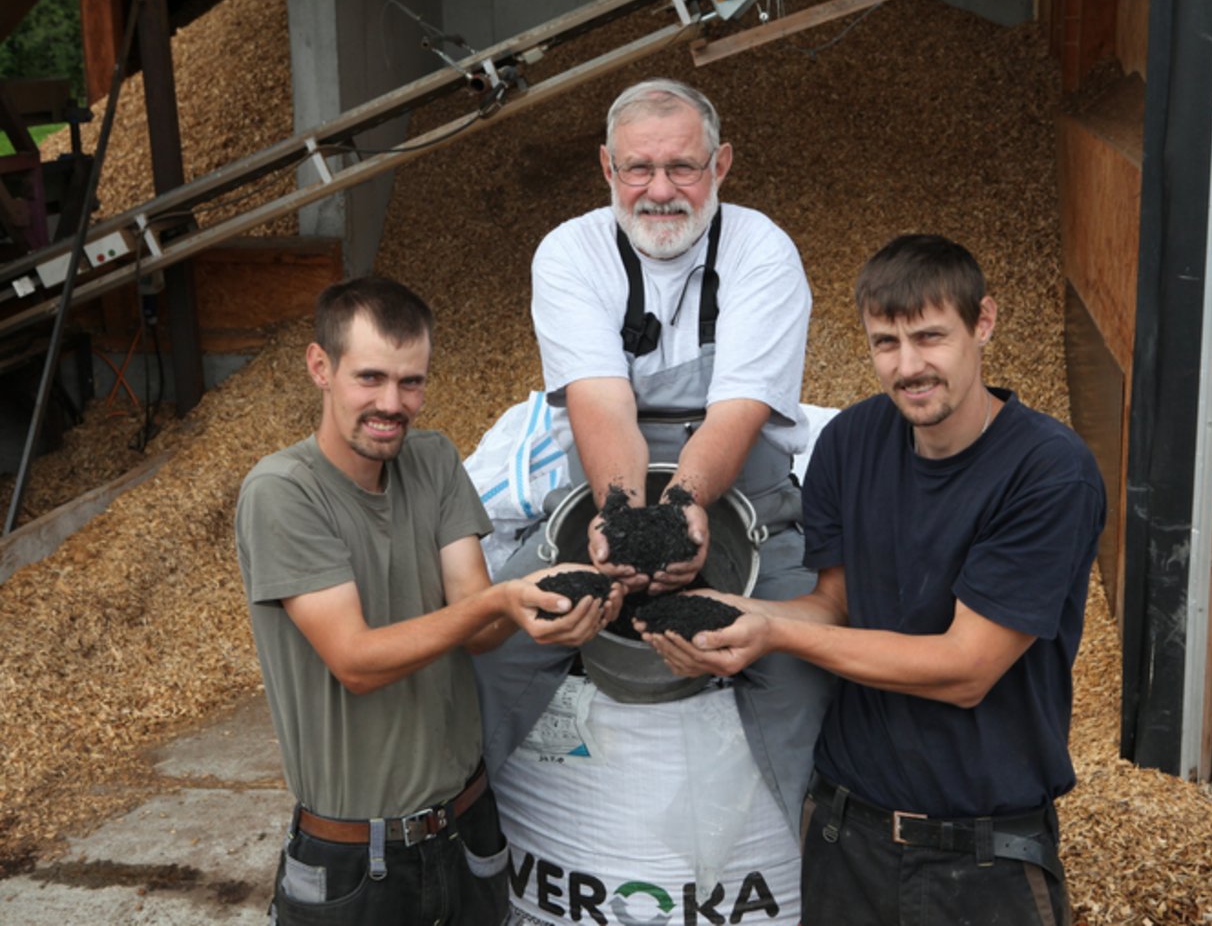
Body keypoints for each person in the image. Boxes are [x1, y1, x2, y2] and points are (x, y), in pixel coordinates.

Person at [644, 234, 1107, 925]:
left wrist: (773, 633)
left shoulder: (1047, 471)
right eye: (886, 341)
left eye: (930, 337)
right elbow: (835, 606)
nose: (909, 365)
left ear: (984, 323)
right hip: (844, 835)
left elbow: (965, 668)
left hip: (980, 854)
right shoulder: (851, 441)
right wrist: (731, 611)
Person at [472, 78, 832, 924]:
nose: (661, 189)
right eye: (639, 168)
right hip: (606, 479)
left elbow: (738, 412)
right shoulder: (569, 252)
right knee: (494, 647)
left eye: (683, 167)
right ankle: (469, 852)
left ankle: (816, 863)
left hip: (742, 486)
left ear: (722, 165)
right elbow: (600, 406)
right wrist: (625, 523)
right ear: (606, 166)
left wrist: (692, 506)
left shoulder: (763, 251)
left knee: (799, 667)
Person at [235, 275, 619, 926]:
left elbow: (475, 624)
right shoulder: (282, 493)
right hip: (357, 861)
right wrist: (499, 600)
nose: (393, 402)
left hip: (466, 830)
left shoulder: (434, 460)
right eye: (371, 378)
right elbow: (356, 660)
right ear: (319, 367)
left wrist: (538, 609)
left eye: (411, 381)